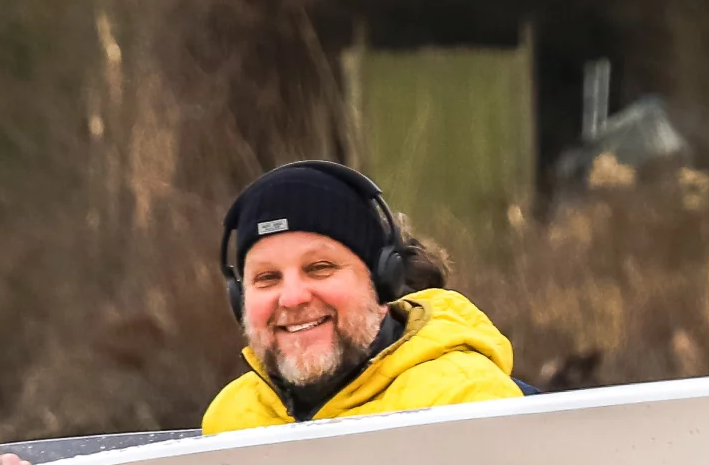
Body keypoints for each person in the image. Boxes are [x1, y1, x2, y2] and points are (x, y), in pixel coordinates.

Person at [201, 160, 524, 434]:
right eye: (267, 278)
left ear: (382, 282)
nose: (292, 298)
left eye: (320, 267)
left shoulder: (467, 402)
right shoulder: (229, 419)